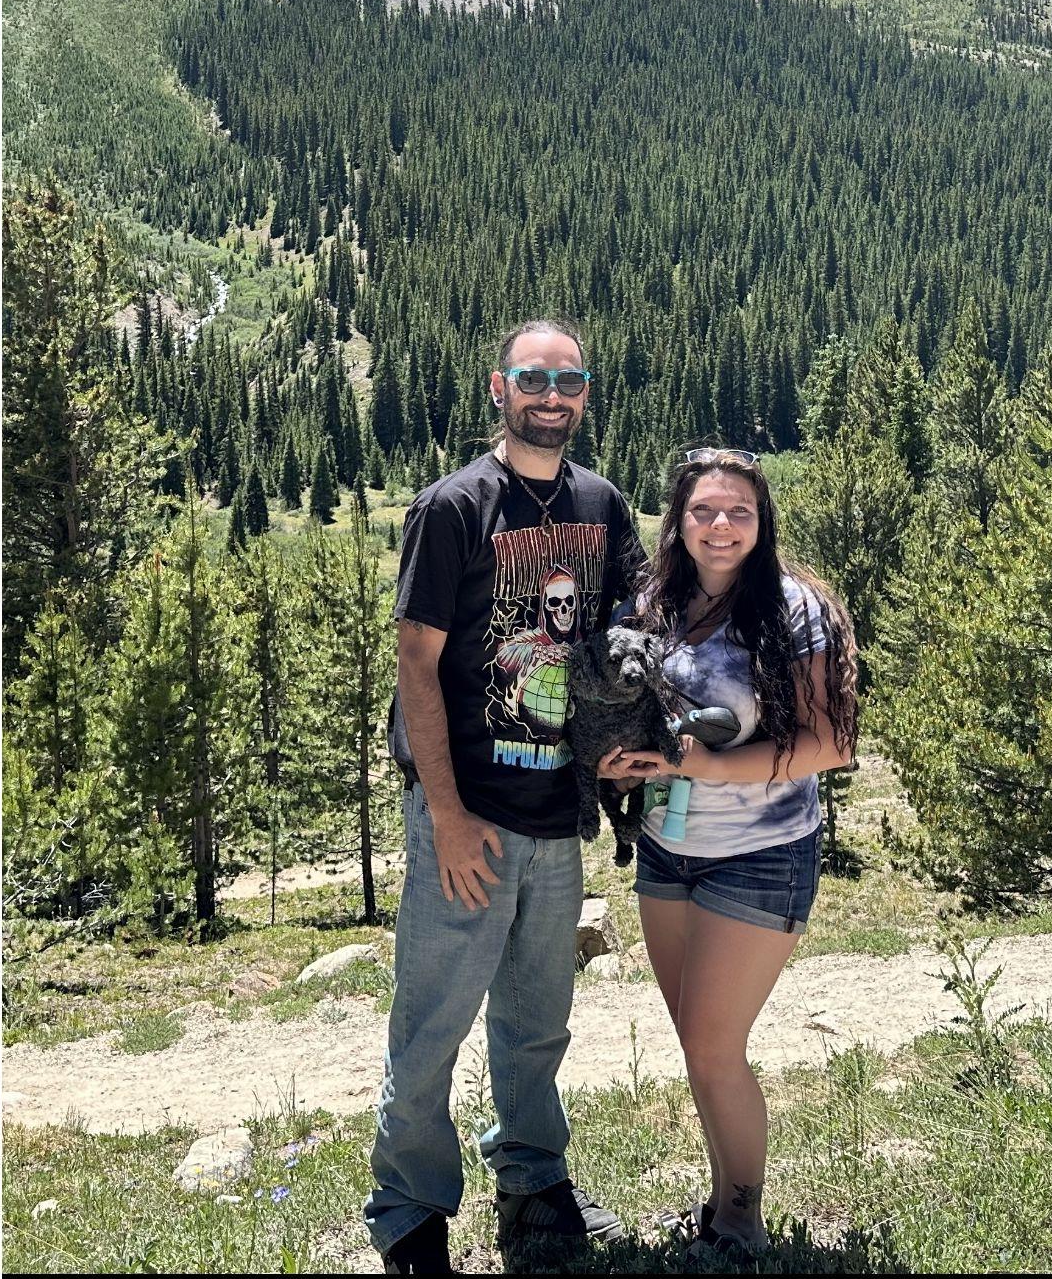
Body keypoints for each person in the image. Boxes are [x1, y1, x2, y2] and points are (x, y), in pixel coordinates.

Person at [364, 319, 645, 1274]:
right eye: (533, 377)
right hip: (469, 813)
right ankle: (408, 1215)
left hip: (555, 811)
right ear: (499, 387)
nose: (551, 394)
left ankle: (533, 1184)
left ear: (584, 393)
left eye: (568, 378)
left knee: (536, 1022)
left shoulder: (604, 506)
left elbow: (634, 631)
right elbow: (415, 661)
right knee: (433, 1022)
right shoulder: (453, 508)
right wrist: (443, 815)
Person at [598, 446, 858, 1260]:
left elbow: (832, 743)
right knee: (698, 1046)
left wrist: (707, 765)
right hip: (668, 850)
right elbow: (647, 713)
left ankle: (742, 1219)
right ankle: (721, 1200)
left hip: (761, 853)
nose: (720, 526)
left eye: (738, 512)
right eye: (704, 510)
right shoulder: (653, 601)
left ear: (761, 522)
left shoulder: (792, 608)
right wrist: (627, 756)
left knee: (713, 1048)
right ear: (677, 520)